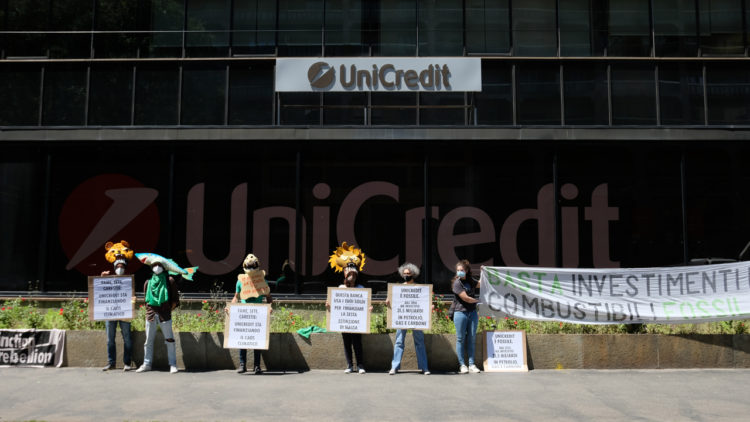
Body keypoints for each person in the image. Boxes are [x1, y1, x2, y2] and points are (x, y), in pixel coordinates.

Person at [135, 259, 181, 374]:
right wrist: (149, 310)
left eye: (159, 265)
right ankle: (147, 364)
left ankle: (173, 364)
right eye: (154, 265)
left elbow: (175, 299)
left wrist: (168, 309)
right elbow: (146, 300)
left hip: (165, 315)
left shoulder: (169, 280)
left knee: (169, 340)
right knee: (148, 341)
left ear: (164, 267)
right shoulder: (148, 281)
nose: (157, 267)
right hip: (151, 315)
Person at [232, 254, 273, 374]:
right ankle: (242, 364)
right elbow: (236, 297)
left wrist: (269, 308)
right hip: (244, 313)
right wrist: (230, 307)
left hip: (258, 313)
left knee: (257, 341)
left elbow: (269, 297)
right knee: (242, 339)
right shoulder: (240, 281)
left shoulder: (262, 281)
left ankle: (257, 366)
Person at [387, 262, 430, 375]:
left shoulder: (419, 288)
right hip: (402, 318)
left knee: (419, 342)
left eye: (408, 273)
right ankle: (394, 367)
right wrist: (388, 302)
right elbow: (392, 303)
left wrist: (430, 306)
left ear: (413, 274)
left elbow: (424, 302)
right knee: (399, 342)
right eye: (405, 273)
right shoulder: (398, 288)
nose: (406, 275)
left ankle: (424, 367)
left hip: (416, 319)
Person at [100, 240, 136, 371]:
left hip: (125, 312)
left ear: (125, 267)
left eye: (122, 266)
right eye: (118, 266)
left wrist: (133, 299)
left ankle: (127, 363)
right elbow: (100, 292)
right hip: (110, 312)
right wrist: (102, 278)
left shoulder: (129, 281)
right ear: (114, 267)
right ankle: (111, 362)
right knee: (110, 339)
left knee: (127, 338)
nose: (120, 268)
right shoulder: (108, 278)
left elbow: (132, 296)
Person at [450, 259, 481, 374]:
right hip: (460, 313)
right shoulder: (457, 283)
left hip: (472, 313)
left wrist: (484, 272)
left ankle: (472, 364)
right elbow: (466, 298)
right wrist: (479, 301)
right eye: (458, 270)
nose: (459, 272)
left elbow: (481, 284)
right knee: (460, 338)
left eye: (461, 270)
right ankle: (462, 364)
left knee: (472, 338)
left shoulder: (470, 280)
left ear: (467, 271)